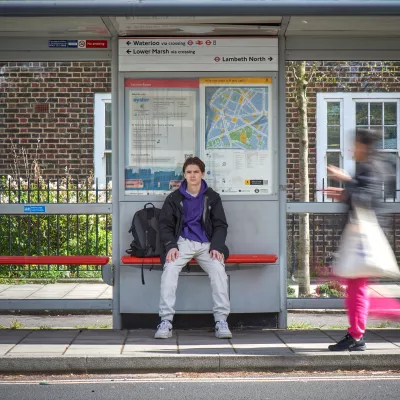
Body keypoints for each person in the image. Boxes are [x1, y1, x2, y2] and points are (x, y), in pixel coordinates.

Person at [324, 128, 390, 351]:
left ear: (364, 146)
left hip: (364, 240)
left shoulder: (372, 167)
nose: (352, 149)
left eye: (355, 144)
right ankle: (355, 333)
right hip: (361, 238)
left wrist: (345, 185)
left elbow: (365, 198)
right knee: (355, 287)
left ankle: (356, 336)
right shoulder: (367, 167)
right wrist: (345, 190)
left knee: (357, 288)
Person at [154, 157, 232, 339]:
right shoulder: (174, 198)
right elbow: (165, 225)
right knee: (170, 269)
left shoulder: (212, 197)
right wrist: (171, 246)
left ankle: (221, 320)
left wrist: (217, 246)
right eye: (189, 172)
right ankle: (166, 321)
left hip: (207, 244)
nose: (192, 175)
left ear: (202, 174)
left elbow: (221, 225)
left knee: (219, 271)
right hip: (183, 242)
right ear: (184, 175)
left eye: (196, 172)